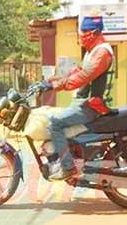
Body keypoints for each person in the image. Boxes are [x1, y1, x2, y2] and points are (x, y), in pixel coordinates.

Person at [38, 15, 114, 180]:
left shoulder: (102, 52)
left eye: (83, 32)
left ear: (93, 33)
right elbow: (77, 72)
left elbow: (84, 76)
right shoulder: (92, 52)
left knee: (54, 124)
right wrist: (50, 81)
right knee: (48, 116)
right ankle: (60, 157)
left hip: (91, 106)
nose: (81, 36)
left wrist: (56, 86)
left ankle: (68, 167)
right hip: (83, 103)